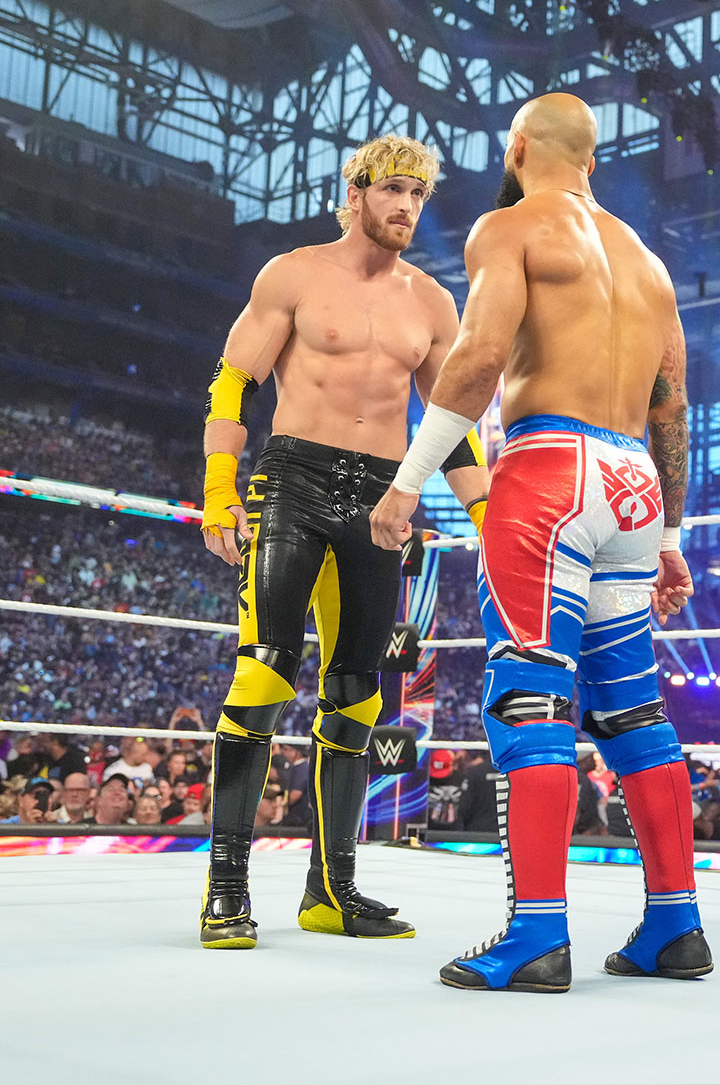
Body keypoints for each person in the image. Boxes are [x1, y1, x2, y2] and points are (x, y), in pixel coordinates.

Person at [369, 93, 706, 993]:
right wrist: (670, 533)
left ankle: (536, 936)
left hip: (549, 471)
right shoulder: (647, 260)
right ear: (591, 160)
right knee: (633, 708)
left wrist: (409, 480)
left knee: (528, 700)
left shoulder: (508, 226)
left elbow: (477, 357)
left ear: (517, 148)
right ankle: (675, 925)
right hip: (633, 481)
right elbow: (673, 409)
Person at [194, 134, 490, 950]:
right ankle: (226, 888)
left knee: (358, 692)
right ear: (355, 191)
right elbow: (232, 381)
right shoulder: (291, 273)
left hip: (382, 496)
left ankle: (332, 888)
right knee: (262, 674)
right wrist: (220, 490)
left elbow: (452, 423)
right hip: (291, 478)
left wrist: (491, 522)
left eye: (418, 195)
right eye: (392, 188)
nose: (405, 207)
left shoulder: (432, 302)